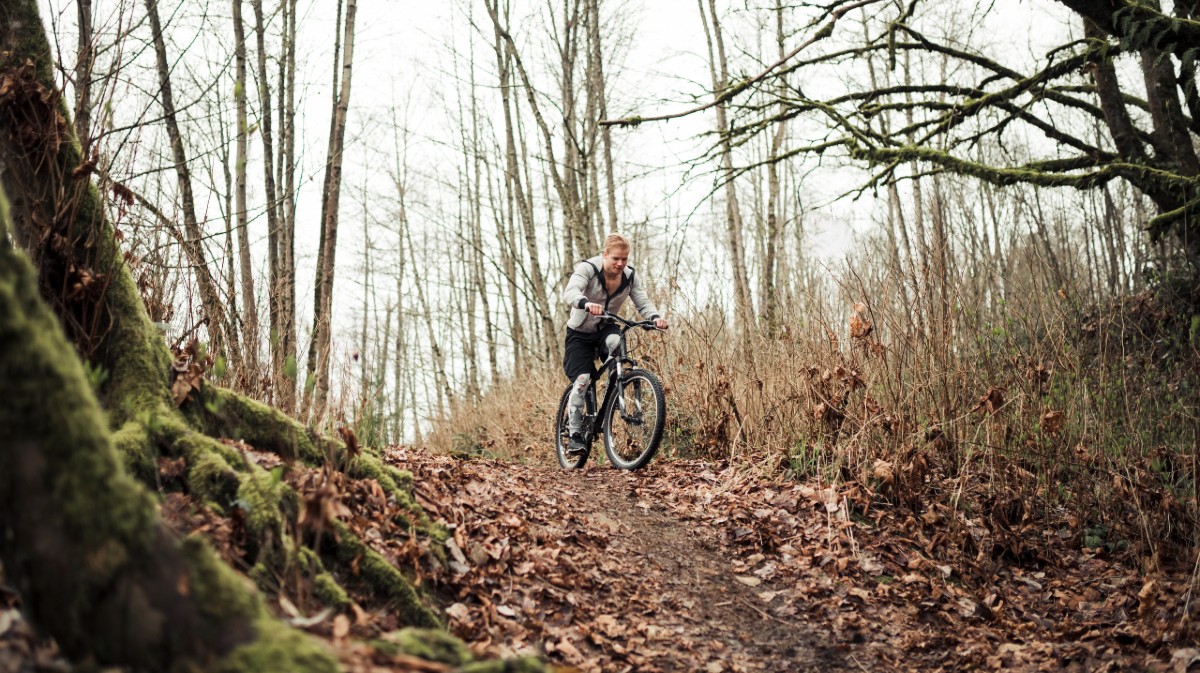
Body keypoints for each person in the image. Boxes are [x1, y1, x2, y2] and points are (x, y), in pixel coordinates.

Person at [561, 233, 668, 452]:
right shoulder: (588, 268)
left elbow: (642, 301)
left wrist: (655, 317)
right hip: (580, 333)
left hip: (606, 328)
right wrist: (585, 302)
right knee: (582, 379)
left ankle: (617, 385)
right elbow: (570, 291)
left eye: (625, 259)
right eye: (616, 259)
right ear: (605, 255)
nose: (620, 264)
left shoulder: (629, 276)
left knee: (617, 345)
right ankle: (574, 433)